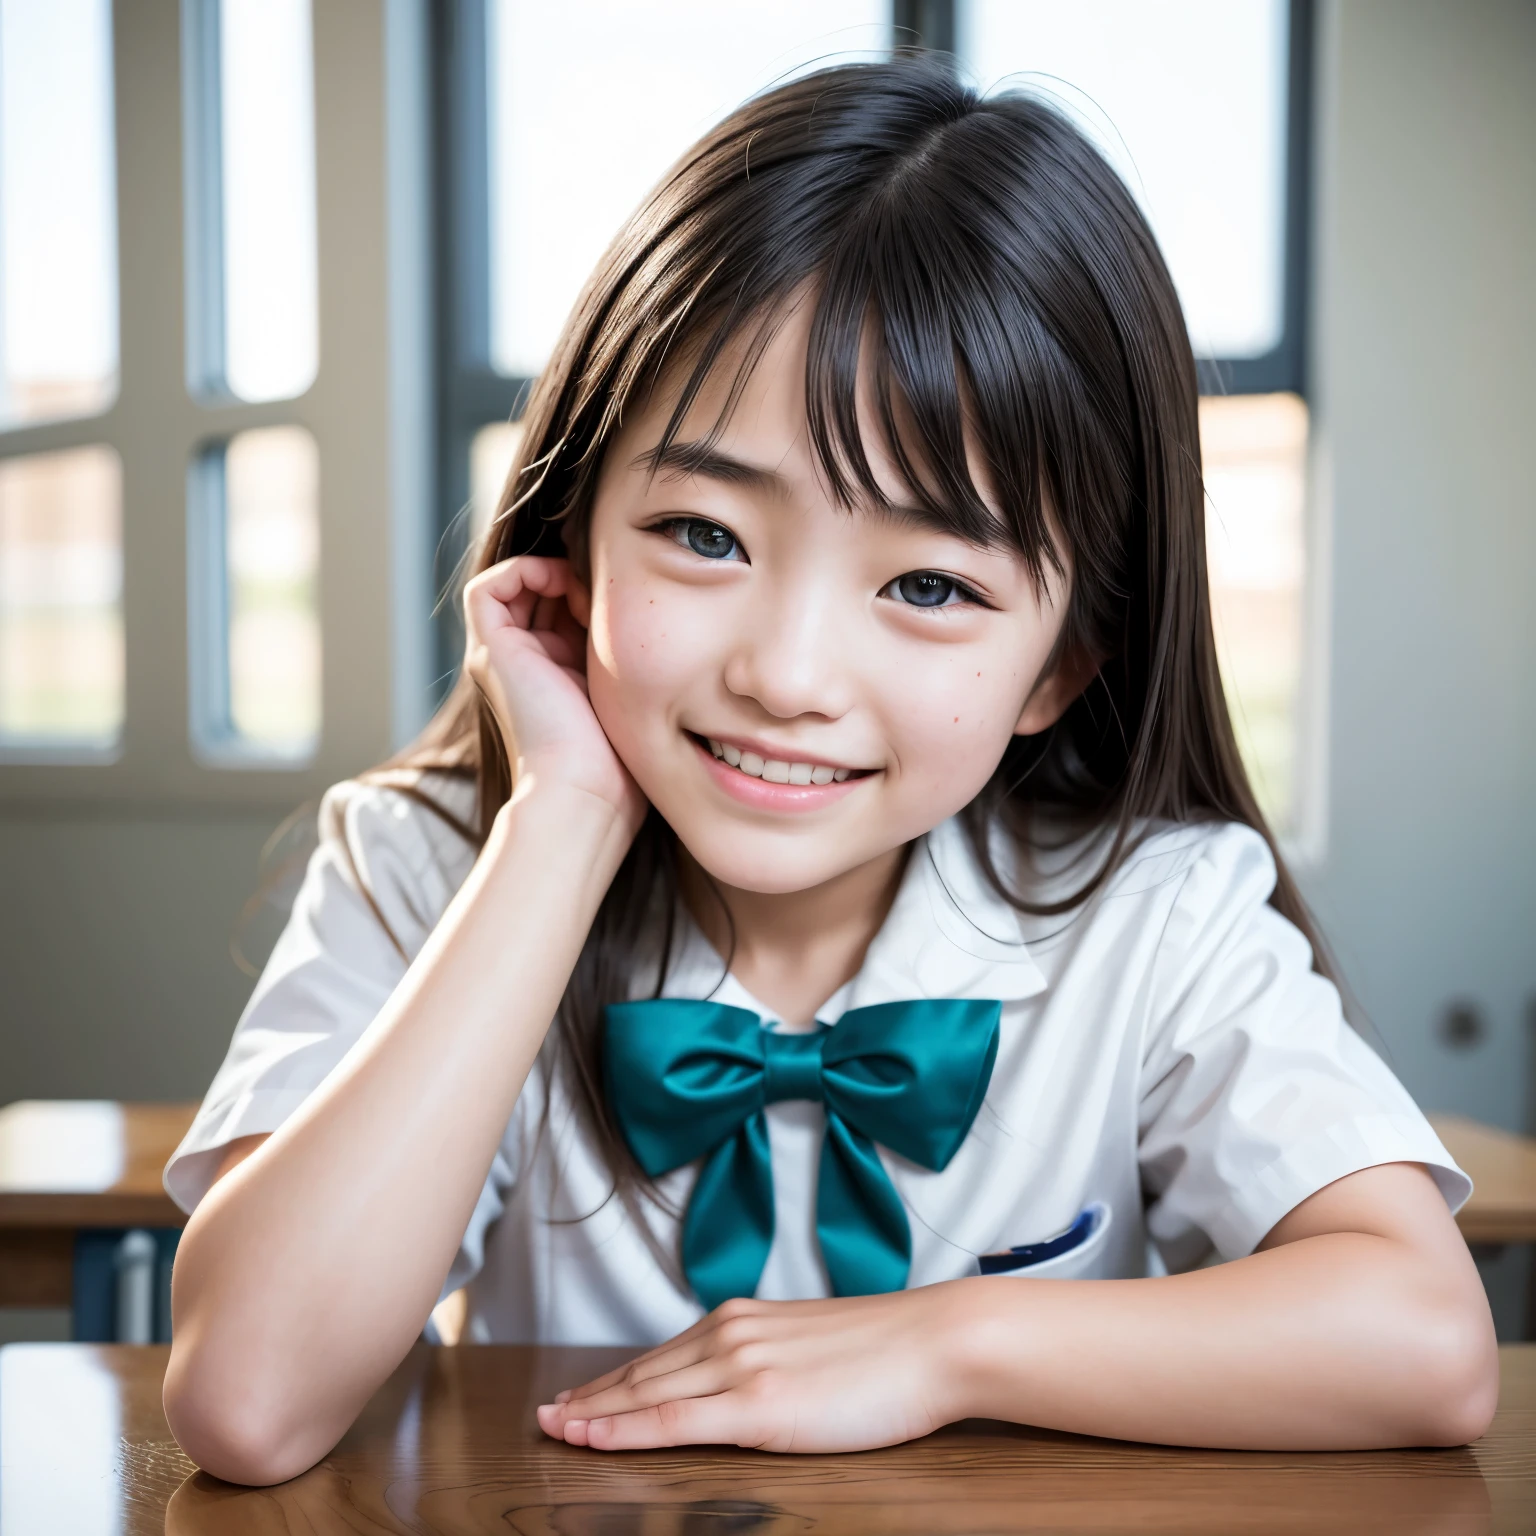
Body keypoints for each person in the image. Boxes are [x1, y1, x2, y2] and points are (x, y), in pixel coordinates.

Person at [160, 57, 1497, 1485]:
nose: (789, 675)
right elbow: (246, 1400)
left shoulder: (1154, 914)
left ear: (1062, 663)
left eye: (927, 585)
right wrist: (563, 821)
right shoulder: (429, 862)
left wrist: (948, 1343)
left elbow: (1427, 1342)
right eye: (706, 536)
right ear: (577, 533)